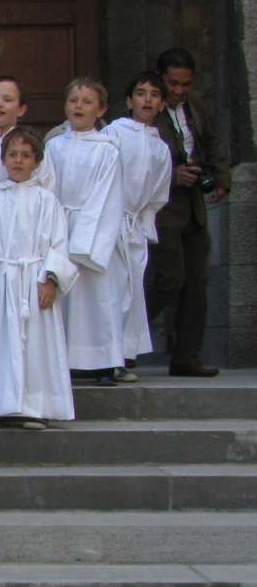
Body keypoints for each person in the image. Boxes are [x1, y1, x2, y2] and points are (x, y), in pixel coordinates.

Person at [0, 130, 76, 428]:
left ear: (38, 161)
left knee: (37, 345)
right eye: (12, 155)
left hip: (35, 281)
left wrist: (51, 280)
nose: (18, 161)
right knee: (2, 344)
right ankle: (2, 405)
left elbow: (58, 244)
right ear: (3, 159)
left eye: (26, 155)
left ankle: (36, 406)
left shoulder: (47, 201)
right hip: (5, 280)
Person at [148, 47, 231, 377]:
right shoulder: (148, 110)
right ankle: (124, 343)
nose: (179, 91)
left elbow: (212, 142)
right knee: (168, 279)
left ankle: (187, 355)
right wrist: (172, 176)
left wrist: (221, 178)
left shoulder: (194, 108)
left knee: (196, 282)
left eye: (185, 84)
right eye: (173, 83)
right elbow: (138, 160)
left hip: (193, 207)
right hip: (163, 208)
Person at [44, 78, 124, 387]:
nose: (79, 106)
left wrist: (86, 241)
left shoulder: (107, 150)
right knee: (65, 297)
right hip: (61, 224)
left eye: (87, 101)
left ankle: (104, 361)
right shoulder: (54, 146)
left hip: (93, 231)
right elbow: (48, 188)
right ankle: (68, 359)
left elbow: (106, 196)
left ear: (101, 109)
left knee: (97, 298)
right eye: (74, 100)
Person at [106, 73, 172, 379]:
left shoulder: (160, 148)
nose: (147, 99)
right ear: (129, 100)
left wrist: (143, 223)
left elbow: (158, 193)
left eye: (154, 95)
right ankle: (109, 352)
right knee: (114, 289)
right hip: (110, 221)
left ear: (161, 104)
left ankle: (127, 351)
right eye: (141, 93)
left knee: (133, 290)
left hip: (134, 225)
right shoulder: (114, 134)